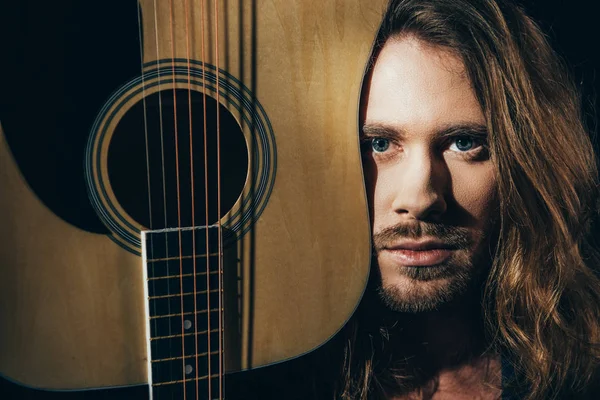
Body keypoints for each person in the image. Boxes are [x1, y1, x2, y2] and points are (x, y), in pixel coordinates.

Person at [227, 0, 600, 398]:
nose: (420, 198)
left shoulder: (580, 370)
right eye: (380, 144)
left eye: (464, 142)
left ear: (525, 162)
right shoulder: (247, 375)